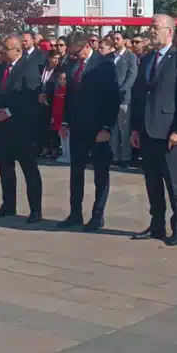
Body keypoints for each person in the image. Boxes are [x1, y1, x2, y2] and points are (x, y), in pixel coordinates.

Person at [130, 14, 177, 246]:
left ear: (169, 31)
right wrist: (135, 128)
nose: (150, 31)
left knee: (174, 183)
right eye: (150, 27)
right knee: (152, 182)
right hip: (147, 130)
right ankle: (156, 224)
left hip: (168, 132)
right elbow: (139, 95)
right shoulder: (147, 59)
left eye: (154, 27)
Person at [59, 32, 120, 232]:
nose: (74, 57)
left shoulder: (104, 65)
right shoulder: (72, 66)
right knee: (76, 172)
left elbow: (113, 98)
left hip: (98, 128)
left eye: (77, 52)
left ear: (86, 46)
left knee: (100, 174)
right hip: (78, 127)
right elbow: (70, 97)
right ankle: (75, 213)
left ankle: (97, 215)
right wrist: (65, 121)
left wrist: (107, 128)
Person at [0, 36, 44, 223]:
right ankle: (8, 204)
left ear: (18, 51)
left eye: (7, 49)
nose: (2, 52)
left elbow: (30, 96)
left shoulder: (28, 69)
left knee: (29, 170)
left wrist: (9, 112)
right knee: (5, 169)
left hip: (21, 128)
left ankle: (35, 209)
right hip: (2, 128)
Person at [109, 31, 139, 165]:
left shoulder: (130, 56)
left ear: (124, 40)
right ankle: (115, 156)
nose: (115, 41)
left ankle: (126, 158)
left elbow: (131, 76)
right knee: (113, 129)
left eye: (118, 39)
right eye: (113, 39)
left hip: (124, 98)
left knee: (124, 130)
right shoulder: (109, 57)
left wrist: (122, 90)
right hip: (110, 99)